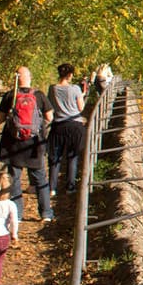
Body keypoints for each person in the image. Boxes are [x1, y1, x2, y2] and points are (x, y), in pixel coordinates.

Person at [0, 65, 54, 221]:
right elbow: (50, 117)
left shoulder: (11, 96)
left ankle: (17, 215)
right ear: (29, 78)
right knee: (40, 179)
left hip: (13, 145)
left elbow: (0, 119)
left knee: (14, 180)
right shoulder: (39, 95)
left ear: (16, 78)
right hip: (34, 145)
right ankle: (46, 213)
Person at [47, 62, 86, 198]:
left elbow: (50, 105)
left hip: (58, 125)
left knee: (55, 157)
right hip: (74, 125)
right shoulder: (75, 88)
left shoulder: (52, 89)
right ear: (70, 75)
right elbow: (81, 108)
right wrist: (83, 94)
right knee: (72, 156)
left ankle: (52, 187)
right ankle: (70, 187)